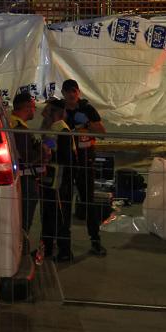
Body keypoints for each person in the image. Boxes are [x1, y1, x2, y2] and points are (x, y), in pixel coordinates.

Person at [62, 79, 106, 256]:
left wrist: (87, 125)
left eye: (75, 91)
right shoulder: (59, 109)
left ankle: (95, 241)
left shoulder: (87, 109)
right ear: (64, 93)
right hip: (65, 161)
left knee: (88, 202)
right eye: (68, 91)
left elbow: (102, 133)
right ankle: (64, 246)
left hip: (85, 162)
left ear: (78, 92)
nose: (72, 94)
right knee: (63, 204)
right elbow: (46, 129)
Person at [39, 98, 75, 262]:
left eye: (47, 109)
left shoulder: (63, 130)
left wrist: (48, 156)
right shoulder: (51, 128)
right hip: (49, 180)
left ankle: (65, 250)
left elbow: (66, 159)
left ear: (55, 112)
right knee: (48, 214)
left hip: (59, 182)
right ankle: (45, 248)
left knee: (60, 215)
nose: (43, 112)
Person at [9, 91, 42, 253]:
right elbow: (28, 158)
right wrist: (43, 153)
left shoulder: (9, 121)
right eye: (33, 107)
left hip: (16, 178)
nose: (34, 111)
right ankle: (22, 251)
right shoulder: (19, 128)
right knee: (24, 218)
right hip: (25, 179)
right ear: (27, 107)